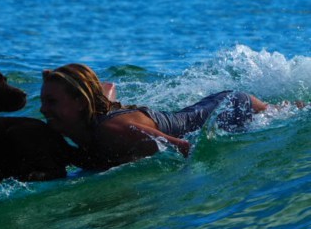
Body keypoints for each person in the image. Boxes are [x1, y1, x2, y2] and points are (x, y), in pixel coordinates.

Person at [40, 63, 299, 171]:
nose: (43, 110)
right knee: (288, 107)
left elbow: (183, 147)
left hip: (229, 109)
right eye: (42, 101)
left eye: (51, 102)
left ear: (79, 102)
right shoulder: (97, 112)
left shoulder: (112, 129)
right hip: (213, 103)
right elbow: (107, 86)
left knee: (289, 112)